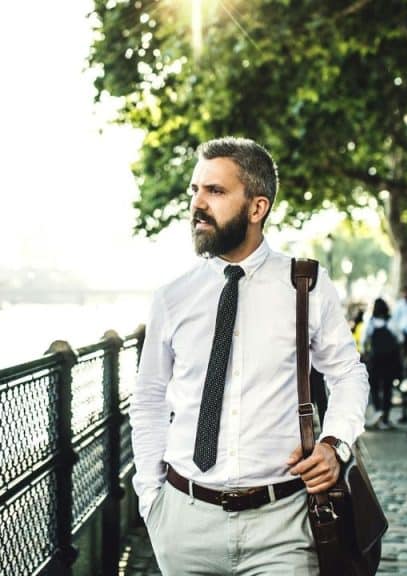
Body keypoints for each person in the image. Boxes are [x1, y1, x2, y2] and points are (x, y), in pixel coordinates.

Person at [131, 137, 369, 573]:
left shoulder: (306, 286)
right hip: (185, 523)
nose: (197, 204)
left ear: (257, 207)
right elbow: (148, 399)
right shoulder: (172, 298)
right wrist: (152, 500)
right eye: (195, 190)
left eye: (215, 191)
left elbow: (348, 375)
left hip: (282, 526)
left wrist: (336, 444)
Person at [361, 298, 403, 430]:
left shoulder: (370, 323)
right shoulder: (391, 322)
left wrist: (366, 352)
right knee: (387, 388)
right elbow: (400, 338)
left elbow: (363, 342)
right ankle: (385, 417)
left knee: (374, 386)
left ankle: (378, 411)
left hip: (375, 360)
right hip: (390, 361)